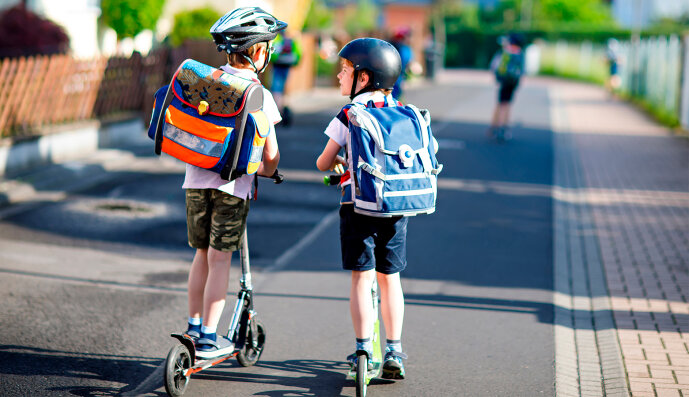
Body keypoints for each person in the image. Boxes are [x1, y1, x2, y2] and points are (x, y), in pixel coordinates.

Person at [183, 6, 285, 360]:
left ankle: (193, 326)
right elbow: (270, 155)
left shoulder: (206, 82)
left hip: (195, 181)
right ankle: (209, 337)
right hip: (232, 188)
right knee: (220, 259)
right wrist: (272, 172)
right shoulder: (259, 95)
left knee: (200, 256)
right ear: (258, 52)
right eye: (268, 47)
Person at [316, 37, 409, 380]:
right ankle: (394, 350)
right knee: (391, 279)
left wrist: (340, 162)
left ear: (364, 78)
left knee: (361, 276)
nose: (339, 76)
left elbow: (323, 161)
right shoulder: (401, 110)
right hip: (396, 206)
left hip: (358, 206)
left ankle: (362, 349)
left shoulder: (350, 114)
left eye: (344, 71)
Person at [487, 32, 525, 141]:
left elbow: (494, 65)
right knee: (507, 104)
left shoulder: (505, 51)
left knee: (500, 103)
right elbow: (522, 70)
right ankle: (503, 127)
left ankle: (495, 127)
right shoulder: (520, 53)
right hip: (513, 82)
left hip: (503, 80)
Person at [270, 32, 301, 127]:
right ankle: (285, 108)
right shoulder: (291, 40)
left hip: (277, 66)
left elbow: (272, 53)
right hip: (287, 66)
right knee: (284, 89)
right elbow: (298, 54)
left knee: (276, 89)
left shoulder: (277, 40)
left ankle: (278, 113)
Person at [390, 27, 413, 100]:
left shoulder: (401, 48)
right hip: (396, 77)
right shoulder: (404, 49)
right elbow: (408, 64)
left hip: (397, 76)